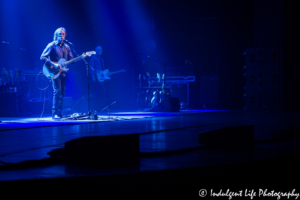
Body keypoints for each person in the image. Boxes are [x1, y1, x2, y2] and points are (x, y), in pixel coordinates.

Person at [40, 27, 73, 120]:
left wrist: (81, 57)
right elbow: (42, 57)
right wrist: (54, 65)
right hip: (54, 71)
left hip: (64, 72)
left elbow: (71, 60)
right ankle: (54, 113)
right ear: (56, 35)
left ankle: (59, 112)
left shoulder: (67, 47)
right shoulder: (52, 45)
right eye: (60, 34)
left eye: (63, 34)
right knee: (57, 91)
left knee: (62, 93)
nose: (62, 36)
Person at [89, 46, 108, 111]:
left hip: (101, 77)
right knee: (102, 90)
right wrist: (93, 76)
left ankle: (102, 106)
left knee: (102, 91)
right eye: (99, 50)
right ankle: (99, 106)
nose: (100, 51)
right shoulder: (93, 58)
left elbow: (103, 69)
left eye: (101, 50)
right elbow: (91, 67)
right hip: (96, 77)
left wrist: (106, 75)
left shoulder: (102, 59)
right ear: (96, 51)